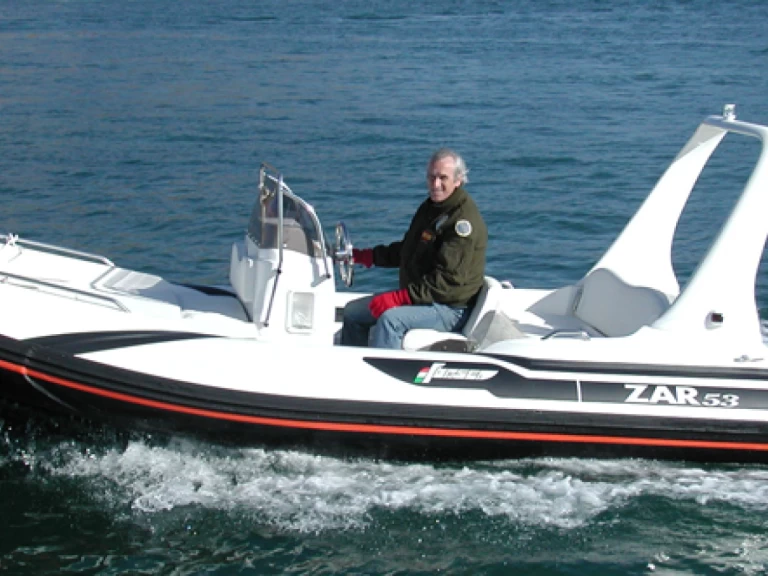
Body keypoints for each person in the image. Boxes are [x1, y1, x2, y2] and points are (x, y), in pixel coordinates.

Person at [340, 148, 488, 349]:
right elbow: (409, 250)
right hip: (423, 297)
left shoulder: (462, 221)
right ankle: (354, 367)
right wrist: (367, 256)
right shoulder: (431, 208)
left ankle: (383, 376)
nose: (436, 184)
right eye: (431, 177)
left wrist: (400, 298)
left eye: (443, 178)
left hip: (451, 308)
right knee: (352, 312)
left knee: (390, 321)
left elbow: (447, 281)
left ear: (458, 180)